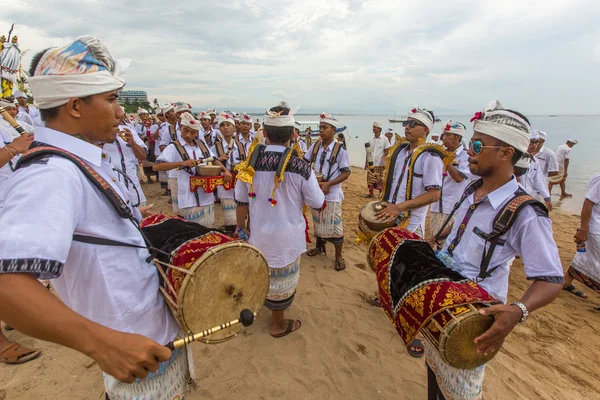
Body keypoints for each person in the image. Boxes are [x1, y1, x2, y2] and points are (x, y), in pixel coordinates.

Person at [0, 35, 196, 398]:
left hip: (148, 335)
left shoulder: (78, 159)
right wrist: (102, 345)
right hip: (132, 345)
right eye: (111, 99)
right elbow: (7, 285)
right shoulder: (50, 174)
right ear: (75, 106)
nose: (121, 112)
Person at [428, 100, 563, 400]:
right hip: (444, 306)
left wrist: (519, 309)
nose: (470, 151)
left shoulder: (525, 212)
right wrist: (436, 244)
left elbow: (552, 279)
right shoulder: (472, 188)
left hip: (472, 321)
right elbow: (462, 234)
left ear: (505, 153)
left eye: (477, 144)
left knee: (459, 391)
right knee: (434, 375)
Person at [234, 102, 324, 337]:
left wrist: (239, 228)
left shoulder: (249, 164)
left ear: (264, 132)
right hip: (287, 236)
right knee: (282, 282)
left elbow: (241, 200)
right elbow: (316, 202)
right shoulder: (300, 166)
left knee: (261, 273)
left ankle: (256, 310)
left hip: (259, 232)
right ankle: (277, 325)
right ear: (293, 134)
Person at [154, 112, 231, 226]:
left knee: (208, 225)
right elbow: (157, 166)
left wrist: (225, 170)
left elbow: (213, 159)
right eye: (186, 130)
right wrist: (181, 163)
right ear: (180, 128)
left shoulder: (201, 145)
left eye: (193, 132)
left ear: (197, 133)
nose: (189, 135)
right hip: (188, 195)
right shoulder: (174, 146)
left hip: (206, 195)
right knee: (192, 227)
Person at [305, 114, 351, 271]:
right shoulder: (315, 146)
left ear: (334, 130)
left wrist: (329, 184)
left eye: (325, 128)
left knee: (335, 225)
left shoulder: (340, 150)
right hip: (316, 190)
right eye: (320, 127)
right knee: (318, 220)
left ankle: (338, 256)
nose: (321, 130)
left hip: (332, 194)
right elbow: (305, 163)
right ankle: (320, 247)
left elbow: (346, 173)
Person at [562, 172, 600, 307]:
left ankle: (566, 282)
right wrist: (583, 229)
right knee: (589, 256)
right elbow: (588, 202)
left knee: (583, 254)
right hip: (595, 227)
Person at [429, 121, 470, 241]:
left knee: (448, 244)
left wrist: (445, 159)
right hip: (436, 206)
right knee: (433, 241)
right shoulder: (440, 154)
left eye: (448, 136)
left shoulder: (465, 156)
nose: (444, 139)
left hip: (453, 208)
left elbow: (458, 177)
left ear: (457, 137)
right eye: (444, 136)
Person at [103, 124, 148, 206]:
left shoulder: (127, 130)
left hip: (133, 187)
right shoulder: (95, 134)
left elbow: (142, 156)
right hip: (112, 191)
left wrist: (132, 143)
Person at [213, 113, 240, 235]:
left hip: (239, 181)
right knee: (229, 212)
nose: (226, 128)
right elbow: (210, 162)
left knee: (240, 209)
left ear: (234, 128)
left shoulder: (240, 145)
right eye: (222, 125)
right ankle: (230, 234)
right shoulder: (215, 147)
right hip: (225, 182)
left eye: (228, 125)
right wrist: (219, 159)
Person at [365, 122, 391, 198]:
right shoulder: (371, 140)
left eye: (375, 127)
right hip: (371, 162)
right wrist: (366, 162)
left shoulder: (384, 139)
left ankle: (381, 193)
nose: (373, 129)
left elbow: (387, 150)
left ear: (379, 129)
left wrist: (383, 161)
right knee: (370, 178)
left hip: (380, 163)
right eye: (373, 127)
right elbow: (368, 152)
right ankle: (371, 193)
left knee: (379, 179)